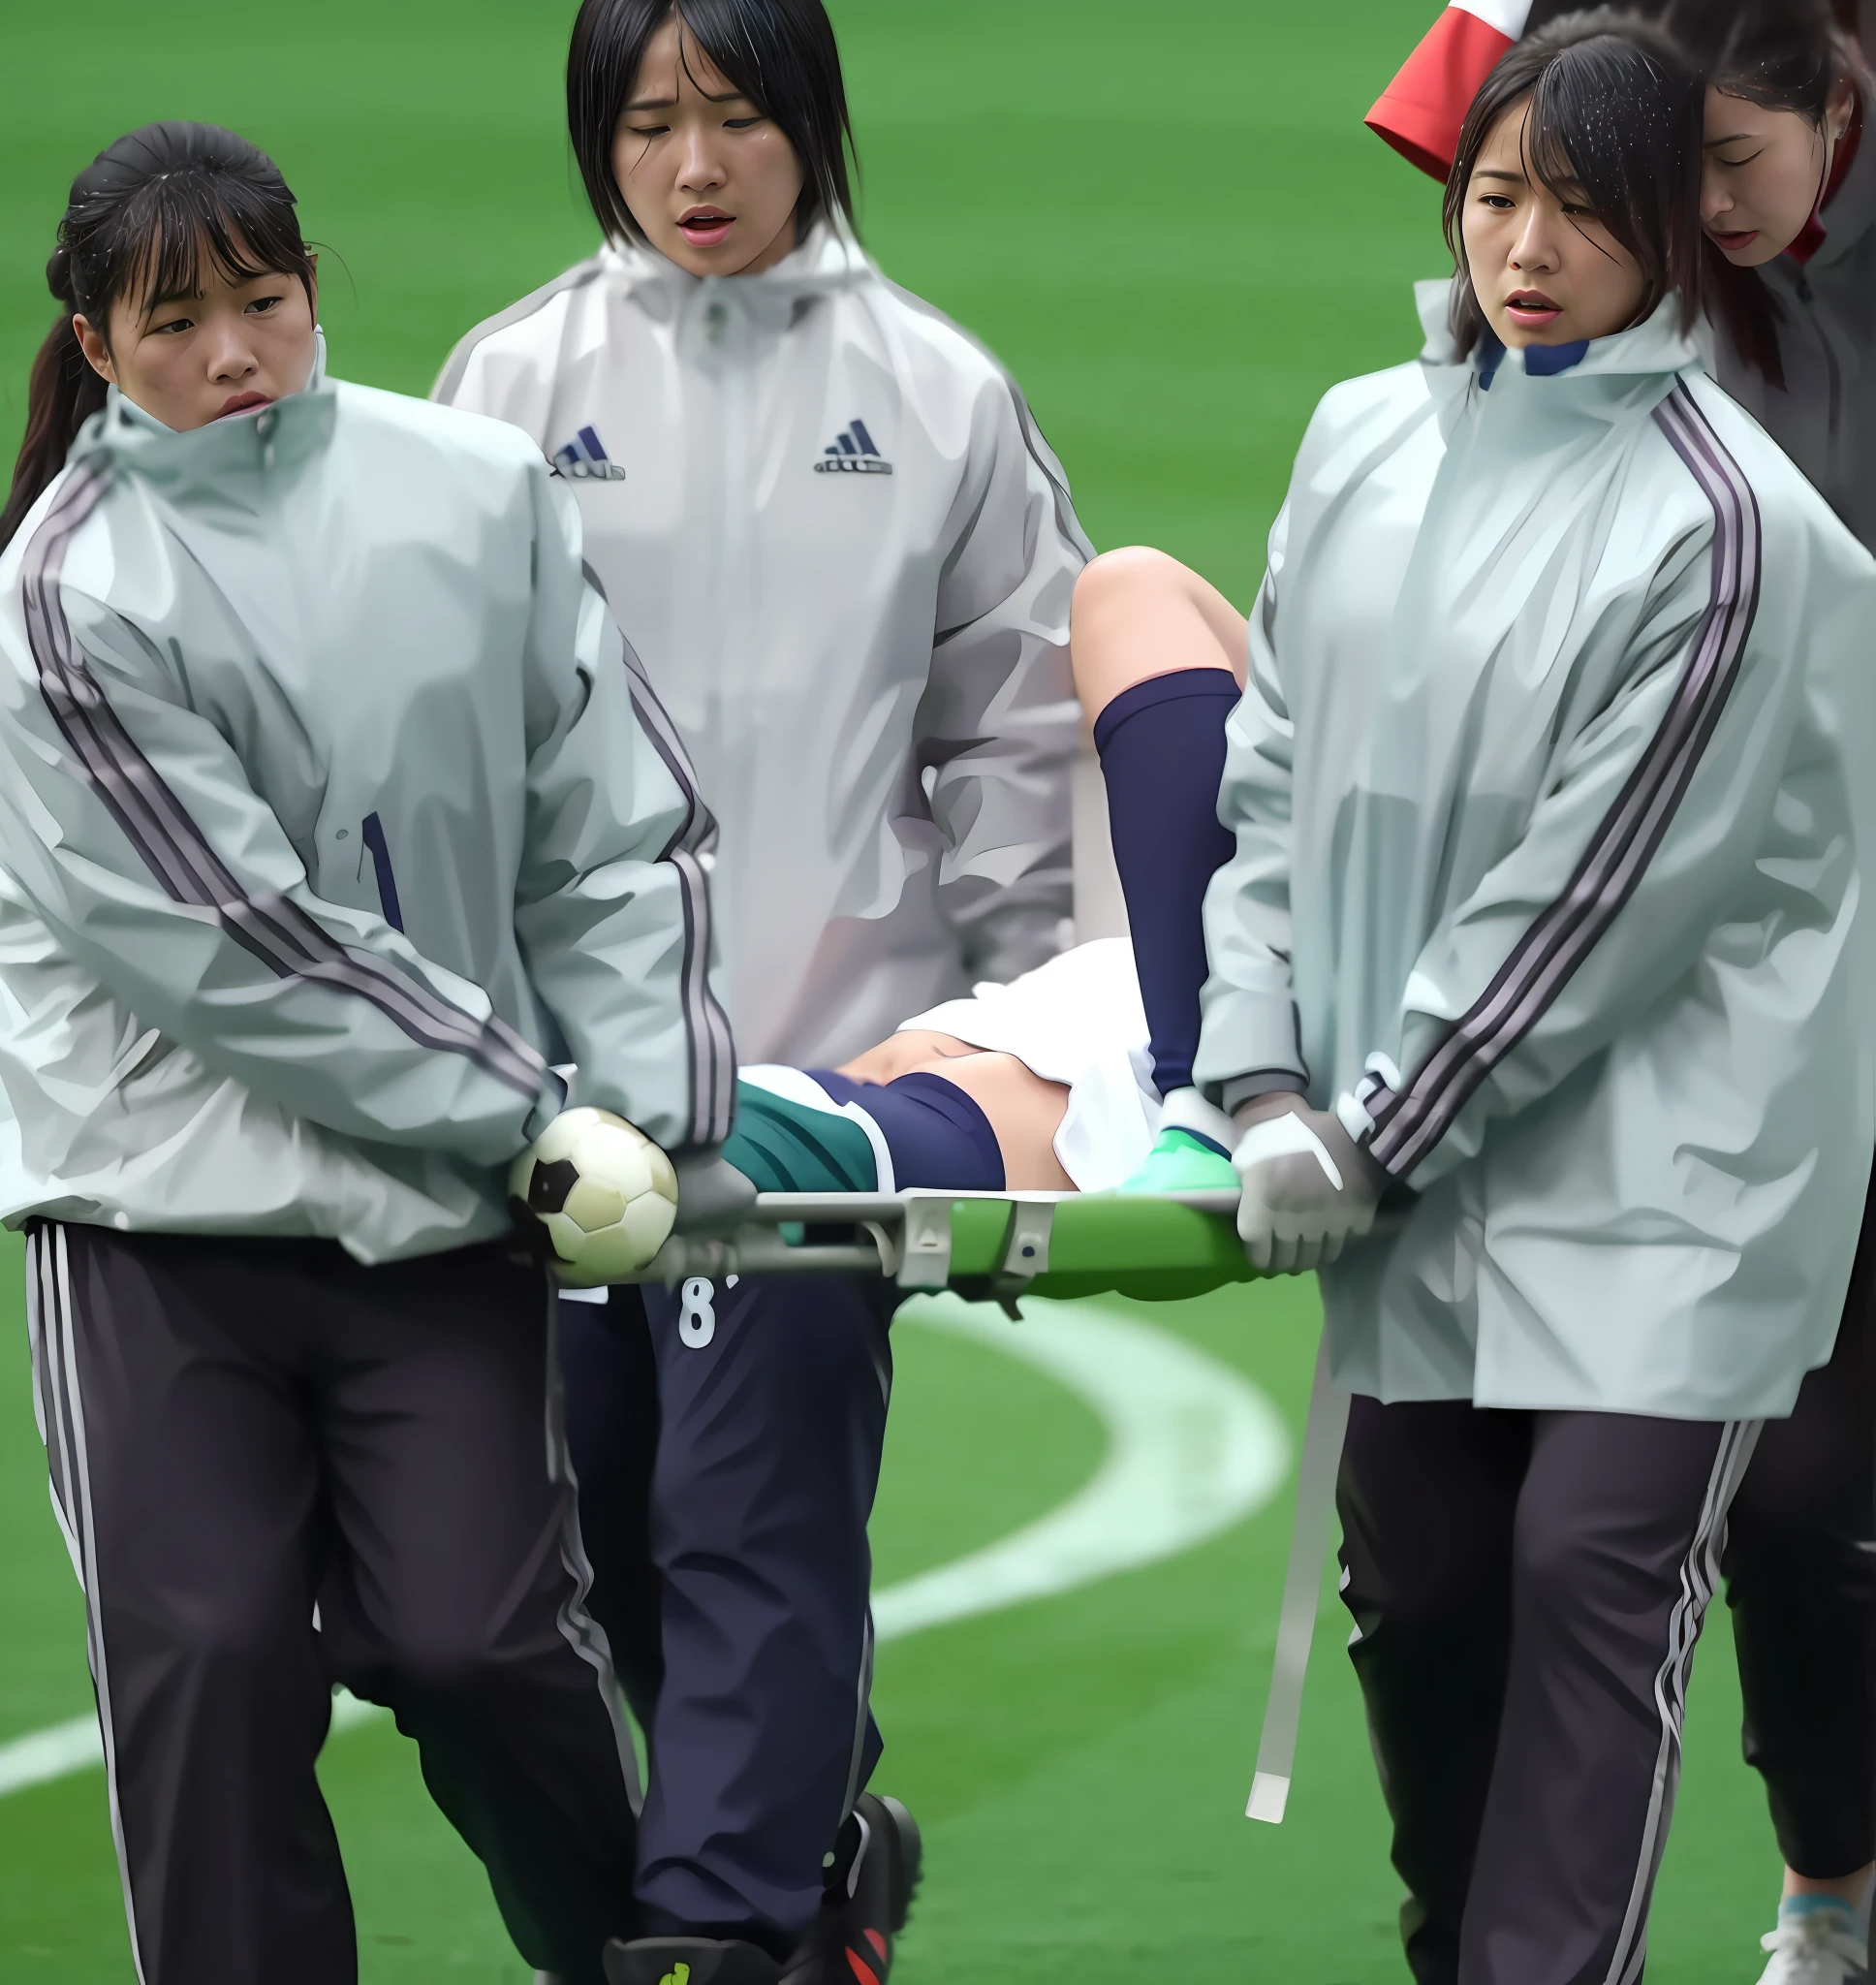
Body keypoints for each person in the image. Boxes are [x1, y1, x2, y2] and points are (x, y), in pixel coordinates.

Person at [0, 122, 734, 1985]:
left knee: (481, 1647)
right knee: (218, 1669)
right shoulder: (64, 593)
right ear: (95, 348)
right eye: (177, 325)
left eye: (264, 301)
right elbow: (234, 947)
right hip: (161, 1234)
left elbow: (610, 828)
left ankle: (655, 1954)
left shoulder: (478, 491)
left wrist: (643, 1106)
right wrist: (530, 1110)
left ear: (312, 287)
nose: (235, 355)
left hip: (439, 1220)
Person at [1185, 16, 1876, 1980]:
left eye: (1581, 208)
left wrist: (1361, 1128)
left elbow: (1598, 907)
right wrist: (1251, 1069)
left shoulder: (1735, 532)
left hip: (1674, 1170)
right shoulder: (1356, 437)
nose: (1524, 246)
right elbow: (1270, 776)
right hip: (1398, 1154)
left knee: (1591, 1572)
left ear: (1670, 230)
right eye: (1496, 196)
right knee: (1418, 1593)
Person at [434, 3, 1089, 1979]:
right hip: (564, 1087)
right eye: (645, 125)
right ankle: (815, 1855)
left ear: (809, 122)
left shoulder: (935, 394)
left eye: (732, 117)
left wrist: (1016, 1026)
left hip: (825, 1087)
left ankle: (725, 1932)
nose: (692, 168)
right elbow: (433, 734)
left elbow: (1013, 737)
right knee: (603, 1529)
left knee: (745, 1507)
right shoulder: (502, 386)